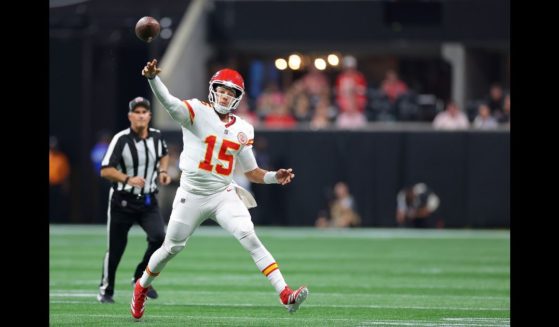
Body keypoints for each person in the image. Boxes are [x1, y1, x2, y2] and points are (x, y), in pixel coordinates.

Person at [130, 59, 308, 320]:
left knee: (249, 236)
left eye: (231, 92)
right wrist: (153, 79)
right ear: (213, 90)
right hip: (191, 194)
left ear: (238, 97)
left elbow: (251, 172)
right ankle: (141, 286)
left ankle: (285, 294)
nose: (225, 95)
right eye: (221, 90)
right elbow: (169, 102)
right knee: (172, 247)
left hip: (223, 194)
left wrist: (273, 177)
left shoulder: (243, 128)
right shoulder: (196, 111)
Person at [97, 96, 171, 304]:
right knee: (117, 248)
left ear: (149, 116)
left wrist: (163, 171)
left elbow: (164, 154)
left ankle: (140, 277)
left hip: (148, 201)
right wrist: (127, 178)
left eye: (144, 112)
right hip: (122, 201)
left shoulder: (157, 137)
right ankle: (106, 289)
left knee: (159, 238)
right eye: (136, 112)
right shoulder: (121, 139)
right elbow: (105, 170)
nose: (140, 116)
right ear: (130, 116)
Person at [49, 136, 71, 222]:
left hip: (58, 185)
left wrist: (66, 185)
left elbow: (66, 173)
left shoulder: (62, 158)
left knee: (58, 204)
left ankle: (57, 221)